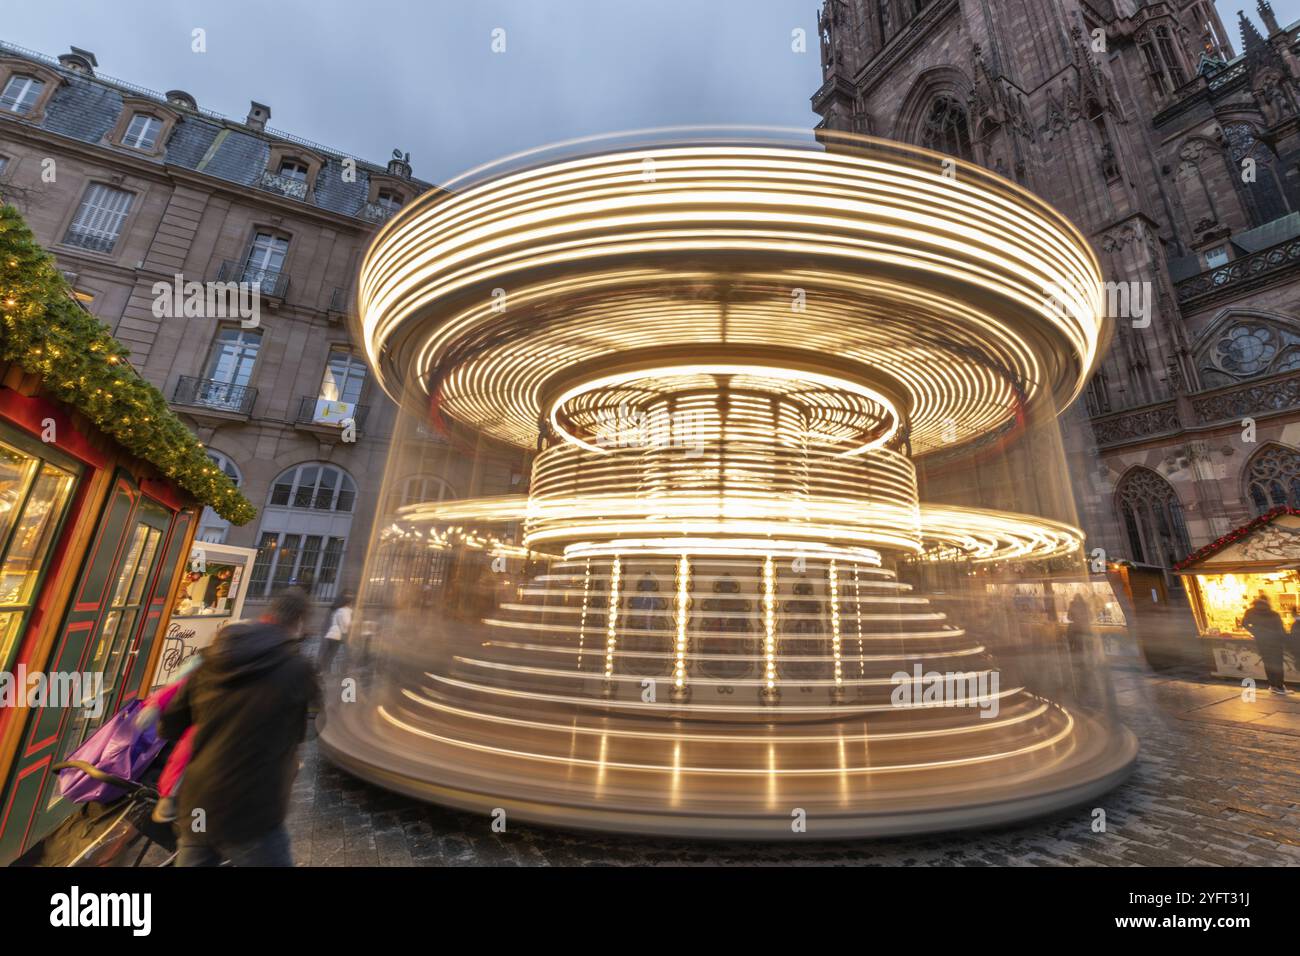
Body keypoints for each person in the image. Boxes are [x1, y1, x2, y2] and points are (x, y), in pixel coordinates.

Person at [161, 587, 320, 866]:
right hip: (252, 812)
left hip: (199, 805)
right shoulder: (298, 669)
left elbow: (171, 725)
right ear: (298, 623)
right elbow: (312, 726)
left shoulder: (211, 658)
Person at [1243, 595, 1290, 695]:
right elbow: (1281, 630)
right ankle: (1279, 686)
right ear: (1267, 602)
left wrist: (1256, 632)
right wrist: (1285, 641)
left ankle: (1273, 685)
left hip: (1262, 642)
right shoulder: (1273, 614)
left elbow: (1244, 623)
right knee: (1277, 664)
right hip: (1275, 642)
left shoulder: (1251, 612)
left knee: (1268, 663)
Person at [318, 591, 354, 674]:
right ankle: (324, 670)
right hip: (334, 633)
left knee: (329, 652)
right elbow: (345, 624)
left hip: (333, 633)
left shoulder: (336, 609)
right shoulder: (342, 610)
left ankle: (325, 670)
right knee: (328, 652)